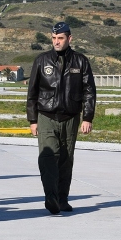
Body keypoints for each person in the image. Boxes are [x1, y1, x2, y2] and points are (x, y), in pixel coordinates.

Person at [25, 21, 97, 214]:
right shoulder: (41, 60)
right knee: (48, 156)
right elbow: (32, 92)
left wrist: (87, 117)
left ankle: (62, 199)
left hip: (70, 117)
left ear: (69, 38)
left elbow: (89, 91)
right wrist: (32, 120)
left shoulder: (81, 61)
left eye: (60, 38)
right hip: (46, 116)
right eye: (54, 38)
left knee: (65, 159)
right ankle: (51, 197)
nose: (56, 42)